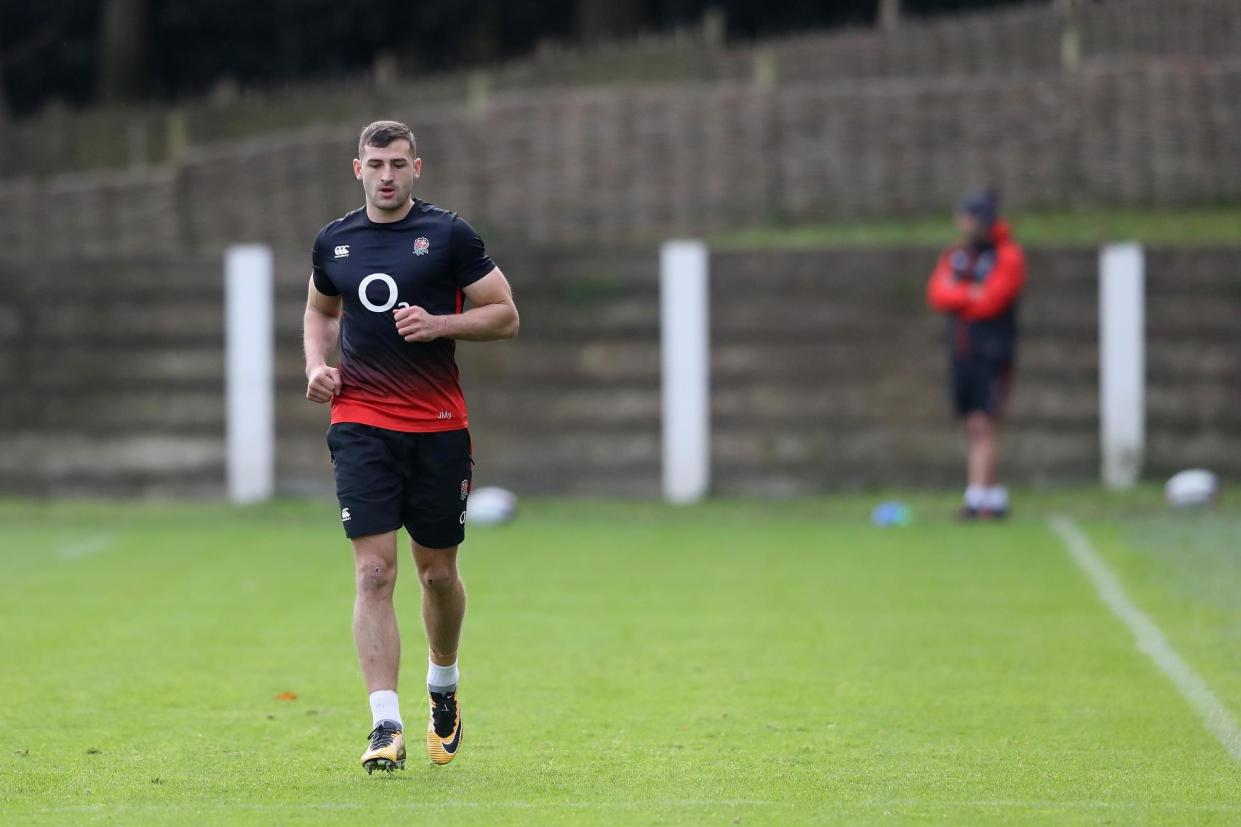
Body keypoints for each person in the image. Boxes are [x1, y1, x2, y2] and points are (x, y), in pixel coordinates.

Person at [303, 120, 519, 772]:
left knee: (436, 573)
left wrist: (440, 323)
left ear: (416, 167)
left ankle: (443, 686)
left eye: (398, 163)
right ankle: (384, 723)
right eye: (376, 163)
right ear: (357, 169)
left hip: (437, 426)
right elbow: (320, 310)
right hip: (361, 421)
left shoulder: (449, 235)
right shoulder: (334, 242)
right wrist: (316, 364)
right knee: (373, 571)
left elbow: (505, 314)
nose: (387, 174)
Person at [926, 189, 1026, 520]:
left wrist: (963, 296)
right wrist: (970, 294)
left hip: (993, 352)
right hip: (963, 351)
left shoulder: (1007, 255)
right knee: (972, 423)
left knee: (985, 422)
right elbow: (938, 294)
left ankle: (976, 497)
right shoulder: (956, 255)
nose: (963, 224)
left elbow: (992, 300)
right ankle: (992, 496)